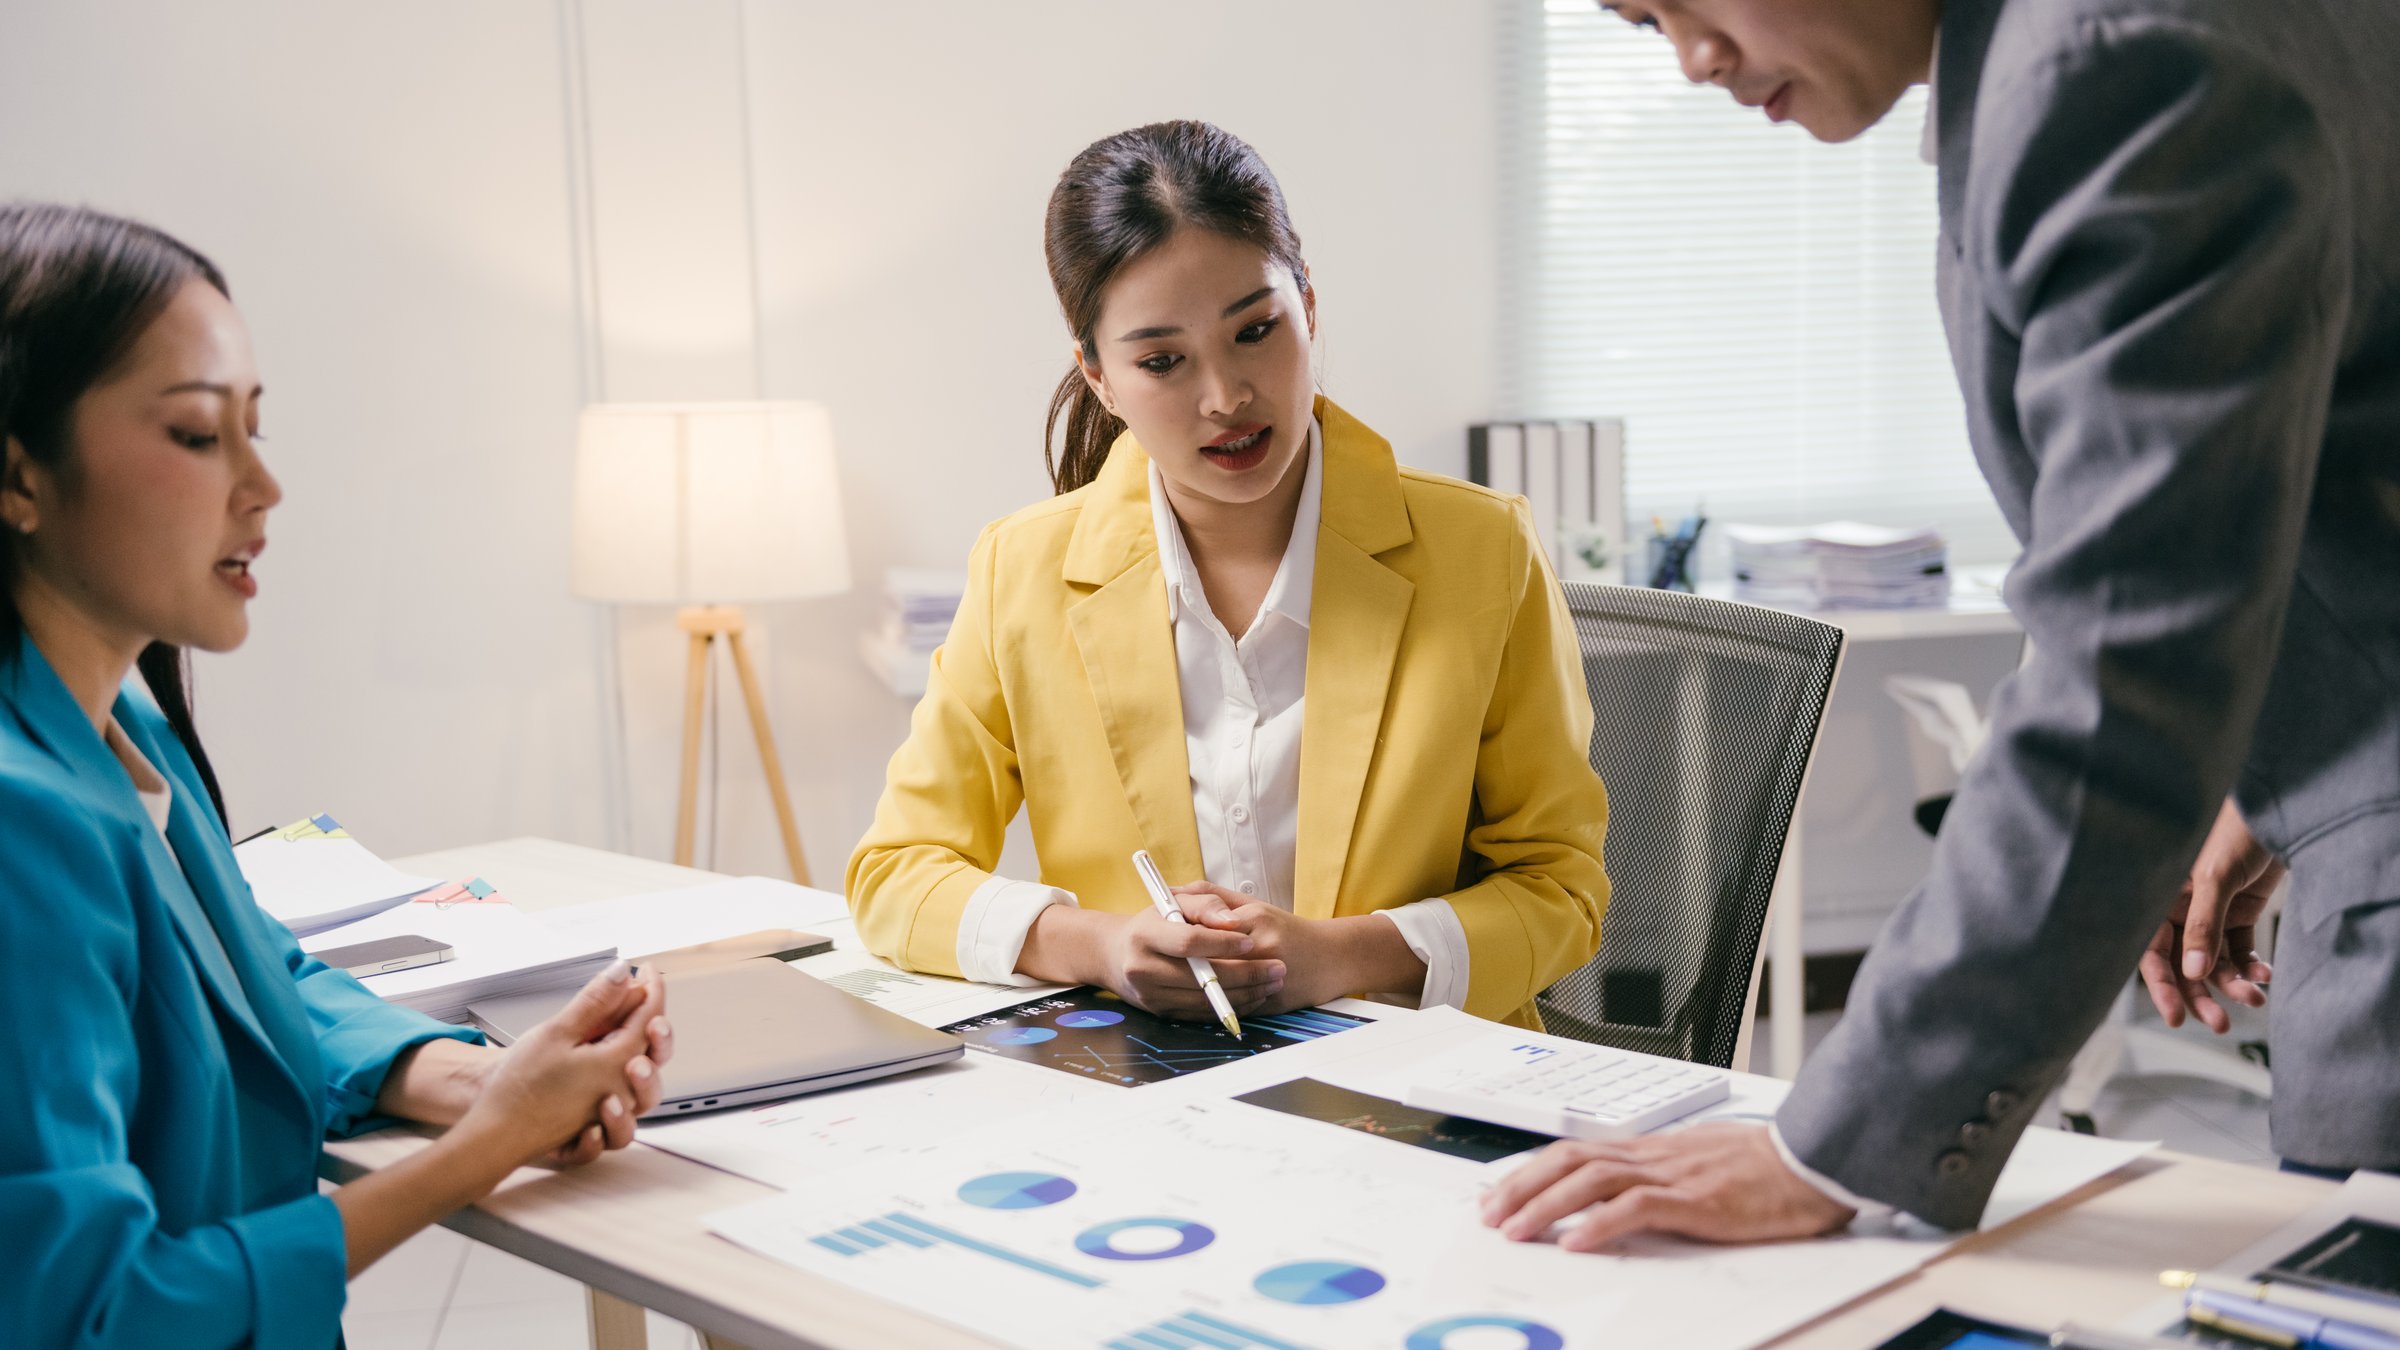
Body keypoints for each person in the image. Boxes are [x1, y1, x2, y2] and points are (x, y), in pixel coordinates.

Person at [1483, 0, 2400, 1250]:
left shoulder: (2105, 73)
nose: (1693, 57)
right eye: (1645, 26)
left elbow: (2119, 682)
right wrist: (2298, 758)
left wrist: (1831, 1147)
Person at [0, 202, 675, 1349]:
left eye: (255, 430)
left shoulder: (127, 726)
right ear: (18, 473)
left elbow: (255, 971)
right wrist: (483, 1150)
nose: (263, 487)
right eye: (200, 436)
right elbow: (97, 1316)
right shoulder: (22, 824)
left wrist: (455, 1079)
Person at [849, 121, 1610, 1029]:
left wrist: (1337, 957)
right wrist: (1098, 944)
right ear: (1098, 377)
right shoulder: (1023, 570)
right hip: (1150, 1086)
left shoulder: (1483, 551)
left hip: (1416, 1081)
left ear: (1310, 308)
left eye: (1255, 331)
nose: (1225, 397)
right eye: (1162, 361)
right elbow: (896, 874)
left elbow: (1561, 890)